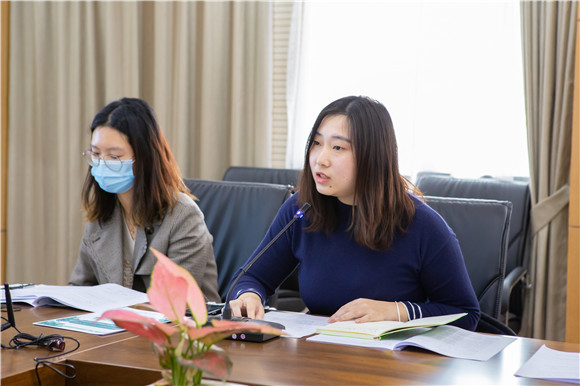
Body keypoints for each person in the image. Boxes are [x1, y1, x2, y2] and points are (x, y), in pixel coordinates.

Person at [229, 95, 480, 330]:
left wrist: (396, 311)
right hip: (320, 356)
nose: (320, 159)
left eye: (338, 148)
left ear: (372, 157)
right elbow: (251, 277)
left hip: (393, 368)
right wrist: (249, 295)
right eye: (316, 143)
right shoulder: (301, 209)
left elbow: (467, 314)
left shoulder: (422, 224)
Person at [69, 97, 220, 302]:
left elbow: (177, 303)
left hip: (180, 331)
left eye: (114, 157)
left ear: (145, 158)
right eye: (95, 154)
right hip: (114, 331)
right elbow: (79, 290)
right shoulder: (100, 217)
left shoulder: (183, 216)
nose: (102, 164)